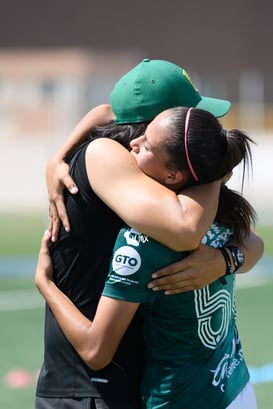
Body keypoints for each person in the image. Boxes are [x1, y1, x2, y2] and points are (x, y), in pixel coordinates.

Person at [36, 59, 263, 409]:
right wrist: (215, 167)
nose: (202, 127)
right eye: (190, 117)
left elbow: (251, 242)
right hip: (88, 390)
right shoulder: (106, 154)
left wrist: (226, 259)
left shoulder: (167, 183)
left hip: (139, 380)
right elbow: (186, 230)